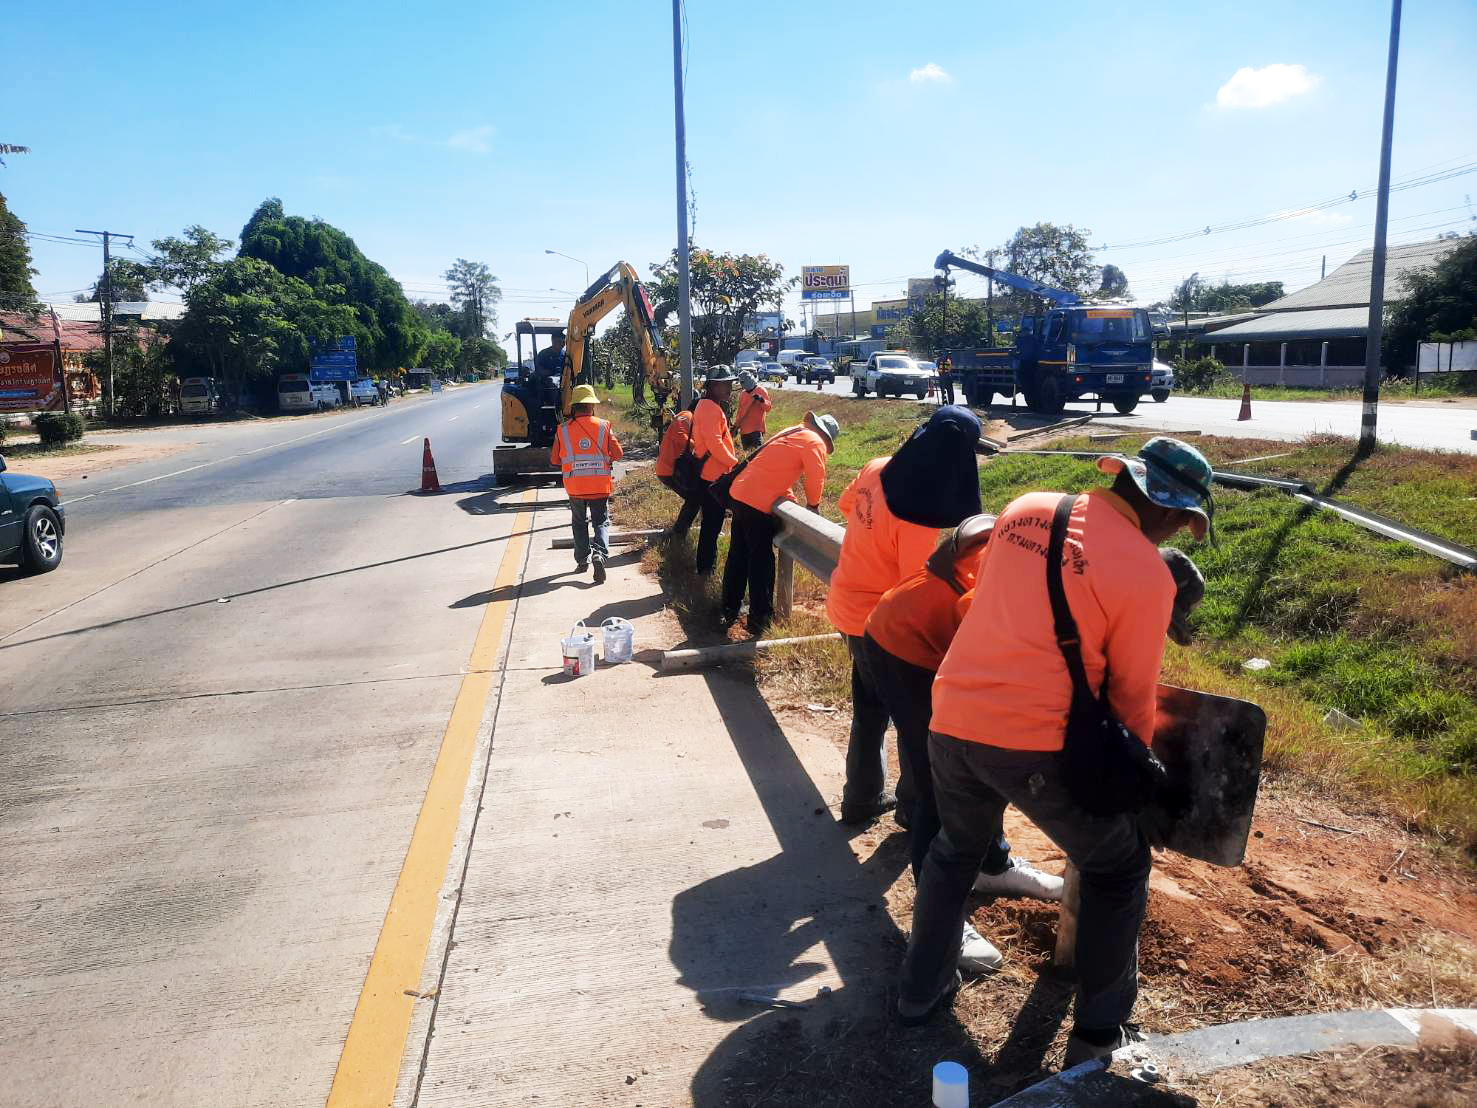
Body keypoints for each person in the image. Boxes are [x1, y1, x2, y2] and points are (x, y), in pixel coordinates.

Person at [896, 436, 1216, 1061]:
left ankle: (917, 990)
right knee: (1117, 867)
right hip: (1032, 741)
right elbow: (1131, 697)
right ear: (1164, 505)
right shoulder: (1147, 574)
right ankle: (1098, 1034)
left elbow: (999, 603)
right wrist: (1132, 782)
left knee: (955, 852)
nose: (1178, 529)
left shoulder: (1025, 509)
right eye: (1181, 518)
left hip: (953, 714)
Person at [863, 516, 1066, 975]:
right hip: (904, 649)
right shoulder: (1015, 583)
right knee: (940, 781)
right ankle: (939, 924)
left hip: (928, 630)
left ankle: (992, 866)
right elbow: (992, 643)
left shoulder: (1041, 554)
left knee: (982, 764)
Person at [825, 406, 982, 825]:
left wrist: (873, 536)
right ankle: (913, 809)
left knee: (870, 710)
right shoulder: (918, 515)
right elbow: (915, 590)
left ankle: (860, 800)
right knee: (915, 721)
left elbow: (846, 505)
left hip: (847, 605)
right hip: (880, 624)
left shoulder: (878, 467)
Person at [721, 412, 838, 636]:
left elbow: (773, 471)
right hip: (756, 502)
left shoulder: (792, 432)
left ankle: (729, 609)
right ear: (826, 437)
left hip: (740, 493)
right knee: (761, 561)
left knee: (738, 555)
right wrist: (813, 505)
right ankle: (760, 618)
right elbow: (815, 475)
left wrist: (790, 498)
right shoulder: (815, 441)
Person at [548, 384, 624, 585]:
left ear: (573, 407)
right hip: (599, 485)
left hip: (575, 487)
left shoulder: (562, 430)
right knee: (601, 522)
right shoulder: (604, 426)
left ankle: (582, 561)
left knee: (579, 523)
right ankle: (600, 554)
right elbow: (618, 454)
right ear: (592, 405)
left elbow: (554, 460)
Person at [687, 366, 740, 576]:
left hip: (712, 474)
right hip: (713, 477)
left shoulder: (708, 405)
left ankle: (705, 567)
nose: (729, 388)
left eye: (730, 383)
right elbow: (714, 443)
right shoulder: (709, 407)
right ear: (712, 386)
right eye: (724, 384)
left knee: (711, 524)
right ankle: (705, 569)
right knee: (711, 525)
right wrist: (734, 463)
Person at [654, 401, 701, 541]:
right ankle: (678, 534)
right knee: (694, 498)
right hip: (670, 469)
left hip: (670, 468)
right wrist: (699, 447)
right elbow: (681, 436)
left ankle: (679, 533)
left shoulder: (690, 419)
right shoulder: (686, 416)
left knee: (695, 498)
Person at [734, 370, 772, 451]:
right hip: (744, 431)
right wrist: (736, 426)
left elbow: (768, 408)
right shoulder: (743, 394)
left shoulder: (760, 390)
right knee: (747, 455)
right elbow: (740, 412)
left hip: (756, 430)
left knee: (757, 454)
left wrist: (762, 400)